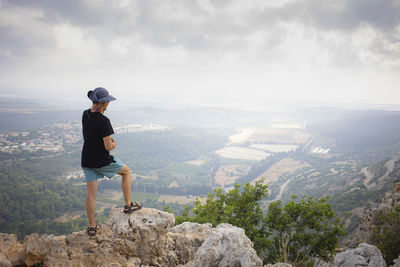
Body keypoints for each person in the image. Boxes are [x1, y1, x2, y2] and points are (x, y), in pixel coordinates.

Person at [81, 87, 142, 236]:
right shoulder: (104, 121)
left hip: (87, 159)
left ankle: (92, 226)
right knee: (126, 172)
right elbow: (108, 146)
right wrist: (114, 143)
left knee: (91, 194)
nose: (108, 104)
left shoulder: (85, 115)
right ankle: (128, 205)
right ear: (104, 103)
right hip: (101, 160)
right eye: (107, 101)